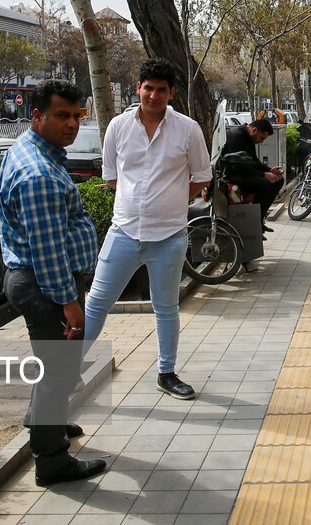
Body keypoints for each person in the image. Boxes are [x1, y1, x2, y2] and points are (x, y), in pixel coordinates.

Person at [0, 79, 106, 487]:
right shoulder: (39, 173)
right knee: (56, 373)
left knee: (52, 370)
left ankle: (48, 424)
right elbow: (48, 250)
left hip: (35, 280)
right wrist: (70, 304)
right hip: (46, 286)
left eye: (78, 115)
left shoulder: (33, 150)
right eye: (62, 115)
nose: (73, 124)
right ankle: (52, 460)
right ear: (37, 116)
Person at [84, 59, 212, 400]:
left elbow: (202, 176)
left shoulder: (188, 129)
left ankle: (166, 373)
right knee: (96, 302)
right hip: (123, 232)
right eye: (148, 88)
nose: (153, 95)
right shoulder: (118, 127)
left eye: (161, 89)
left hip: (169, 237)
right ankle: (69, 372)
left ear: (171, 93)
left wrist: (172, 201)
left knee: (166, 307)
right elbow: (111, 175)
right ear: (139, 88)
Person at [220, 118, 283, 235]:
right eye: (262, 138)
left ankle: (260, 219)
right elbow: (238, 167)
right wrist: (263, 175)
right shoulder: (236, 136)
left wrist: (270, 170)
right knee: (265, 184)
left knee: (278, 180)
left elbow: (253, 160)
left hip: (244, 173)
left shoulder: (249, 137)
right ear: (254, 130)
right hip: (233, 175)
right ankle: (255, 222)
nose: (262, 142)